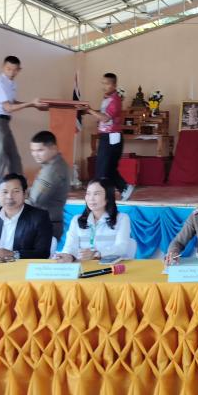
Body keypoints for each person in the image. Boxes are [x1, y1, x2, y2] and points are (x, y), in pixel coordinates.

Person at [0, 55, 44, 196]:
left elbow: (13, 102)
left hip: (5, 123)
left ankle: (19, 189)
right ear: (3, 67)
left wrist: (33, 105)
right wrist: (31, 103)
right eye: (8, 69)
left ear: (19, 70)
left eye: (14, 70)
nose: (11, 72)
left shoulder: (11, 84)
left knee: (14, 157)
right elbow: (8, 107)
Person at [0, 173, 52, 261]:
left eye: (16, 191)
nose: (9, 196)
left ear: (25, 194)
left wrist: (13, 254)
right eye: (5, 192)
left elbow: (43, 253)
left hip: (22, 268)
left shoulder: (40, 217)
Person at [55, 178, 132, 262]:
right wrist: (68, 256)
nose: (91, 198)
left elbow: (121, 248)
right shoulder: (77, 220)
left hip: (110, 266)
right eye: (88, 194)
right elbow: (70, 247)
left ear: (108, 197)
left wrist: (97, 253)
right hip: (85, 266)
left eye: (96, 194)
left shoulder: (122, 218)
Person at [86, 72, 133, 201]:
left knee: (102, 169)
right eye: (103, 83)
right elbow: (103, 115)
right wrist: (90, 111)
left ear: (114, 85)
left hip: (111, 137)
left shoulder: (114, 100)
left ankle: (102, 195)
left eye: (107, 84)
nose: (104, 86)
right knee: (108, 168)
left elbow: (106, 118)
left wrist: (89, 110)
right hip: (107, 136)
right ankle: (123, 187)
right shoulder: (107, 98)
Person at [28, 130, 70, 244]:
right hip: (49, 222)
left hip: (46, 225)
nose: (35, 154)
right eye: (33, 150)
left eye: (40, 150)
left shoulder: (52, 171)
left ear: (53, 148)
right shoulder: (55, 164)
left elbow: (35, 201)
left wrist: (6, 204)